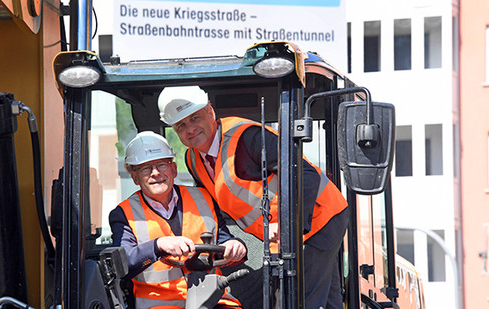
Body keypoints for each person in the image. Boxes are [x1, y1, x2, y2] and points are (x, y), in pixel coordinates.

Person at [158, 86, 349, 309]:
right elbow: (212, 210)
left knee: (296, 301)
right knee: (326, 301)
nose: (190, 129)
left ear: (210, 112)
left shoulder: (247, 137)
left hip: (316, 217)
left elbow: (304, 175)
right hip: (282, 235)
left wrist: (290, 226)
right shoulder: (193, 160)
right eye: (181, 125)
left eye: (195, 118)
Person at [109, 131, 247, 309]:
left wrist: (235, 245)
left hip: (212, 297)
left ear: (173, 169)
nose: (156, 173)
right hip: (159, 303)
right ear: (135, 177)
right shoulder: (124, 214)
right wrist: (157, 246)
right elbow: (123, 263)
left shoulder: (204, 197)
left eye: (162, 165)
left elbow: (222, 241)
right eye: (145, 168)